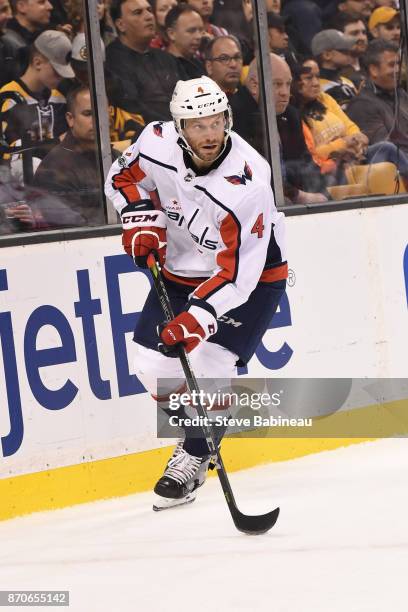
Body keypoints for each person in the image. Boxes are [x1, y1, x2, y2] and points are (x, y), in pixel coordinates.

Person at [104, 76, 287, 510]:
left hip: (252, 278)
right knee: (148, 364)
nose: (209, 134)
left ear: (228, 119)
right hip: (181, 271)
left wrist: (199, 317)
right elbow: (123, 178)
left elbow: (238, 274)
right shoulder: (155, 142)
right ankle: (206, 427)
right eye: (197, 125)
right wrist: (140, 217)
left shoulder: (249, 182)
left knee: (209, 362)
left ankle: (194, 453)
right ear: (179, 127)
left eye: (216, 122)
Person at [230, 54, 328, 203]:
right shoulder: (234, 116)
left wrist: (324, 195)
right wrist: (298, 196)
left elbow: (306, 163)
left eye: (288, 84)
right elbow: (252, 175)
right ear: (254, 85)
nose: (285, 92)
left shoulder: (291, 115)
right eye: (277, 84)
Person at [0, 29, 73, 180]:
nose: (61, 77)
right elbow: (15, 153)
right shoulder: (8, 99)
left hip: (59, 180)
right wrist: (57, 142)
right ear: (37, 62)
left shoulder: (59, 100)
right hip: (19, 184)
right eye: (56, 71)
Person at [33, 86, 105, 225]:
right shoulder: (53, 169)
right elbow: (71, 225)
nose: (97, 119)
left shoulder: (114, 158)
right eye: (88, 113)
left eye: (102, 112)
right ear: (70, 119)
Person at [105, 0, 184, 122]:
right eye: (138, 12)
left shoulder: (166, 57)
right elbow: (131, 107)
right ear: (121, 25)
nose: (149, 16)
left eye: (149, 10)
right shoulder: (112, 61)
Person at [347, 39, 408, 155]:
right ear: (374, 70)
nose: (398, 70)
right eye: (392, 65)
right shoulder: (362, 106)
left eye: (399, 64)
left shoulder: (400, 93)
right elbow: (389, 153)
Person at [1, 0, 52, 78]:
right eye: (41, 2)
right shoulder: (11, 45)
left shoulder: (41, 38)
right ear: (21, 6)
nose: (50, 7)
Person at [311, 29, 358, 109]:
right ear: (327, 55)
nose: (349, 54)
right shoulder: (317, 87)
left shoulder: (347, 82)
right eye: (344, 50)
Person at [164, 3, 205, 79]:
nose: (199, 36)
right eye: (191, 31)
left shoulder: (200, 65)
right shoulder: (161, 67)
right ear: (171, 34)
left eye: (201, 30)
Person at [336, 12, 368, 89]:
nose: (362, 38)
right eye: (354, 33)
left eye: (364, 32)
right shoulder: (335, 71)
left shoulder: (372, 63)